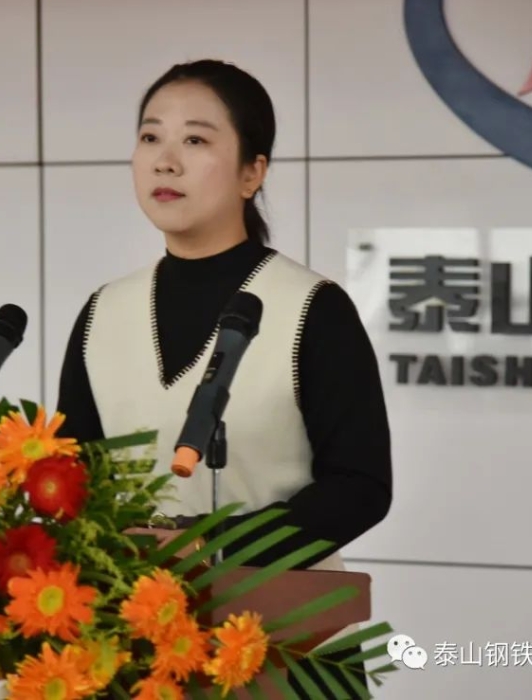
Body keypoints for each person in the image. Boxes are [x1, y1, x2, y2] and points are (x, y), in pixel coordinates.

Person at [54, 59, 392, 697]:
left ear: (251, 173)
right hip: (136, 645)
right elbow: (74, 480)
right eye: (150, 137)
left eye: (195, 140)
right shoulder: (103, 311)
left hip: (287, 642)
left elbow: (361, 486)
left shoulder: (312, 307)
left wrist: (213, 549)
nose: (165, 161)